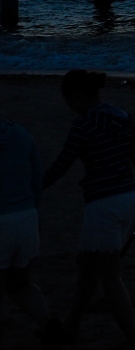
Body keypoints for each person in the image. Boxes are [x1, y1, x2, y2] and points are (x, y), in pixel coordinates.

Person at [42, 69, 135, 349]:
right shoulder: (121, 116)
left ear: (76, 95)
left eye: (67, 99)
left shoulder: (85, 123)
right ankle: (71, 326)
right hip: (128, 197)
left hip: (103, 203)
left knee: (108, 275)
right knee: (87, 266)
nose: (68, 105)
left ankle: (134, 341)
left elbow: (62, 164)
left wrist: (34, 188)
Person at [0, 110, 57, 343]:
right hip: (26, 218)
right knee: (20, 284)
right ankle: (47, 322)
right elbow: (37, 184)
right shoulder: (23, 135)